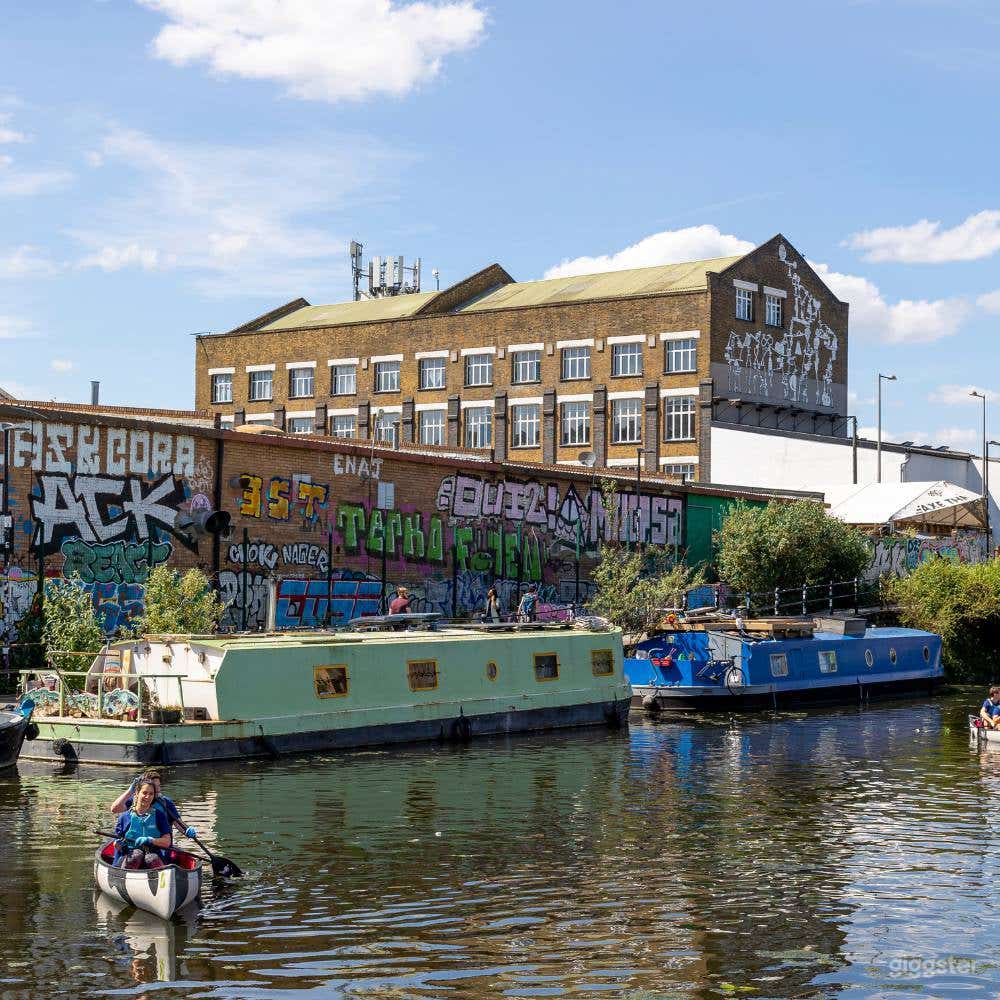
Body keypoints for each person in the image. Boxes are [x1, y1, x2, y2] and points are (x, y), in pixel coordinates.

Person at [112, 768, 197, 842]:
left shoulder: (166, 802)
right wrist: (130, 791)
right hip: (136, 844)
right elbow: (115, 809)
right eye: (154, 786)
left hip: (161, 846)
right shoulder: (137, 800)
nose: (157, 790)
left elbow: (178, 823)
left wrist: (187, 831)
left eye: (159, 786)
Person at [112, 777, 172, 870]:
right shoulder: (125, 817)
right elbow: (116, 843)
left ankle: (160, 876)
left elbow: (167, 842)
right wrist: (118, 844)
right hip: (129, 857)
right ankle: (126, 874)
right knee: (136, 855)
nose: (147, 797)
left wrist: (151, 840)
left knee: (152, 858)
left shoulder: (159, 816)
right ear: (137, 793)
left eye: (151, 794)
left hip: (152, 856)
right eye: (144, 793)